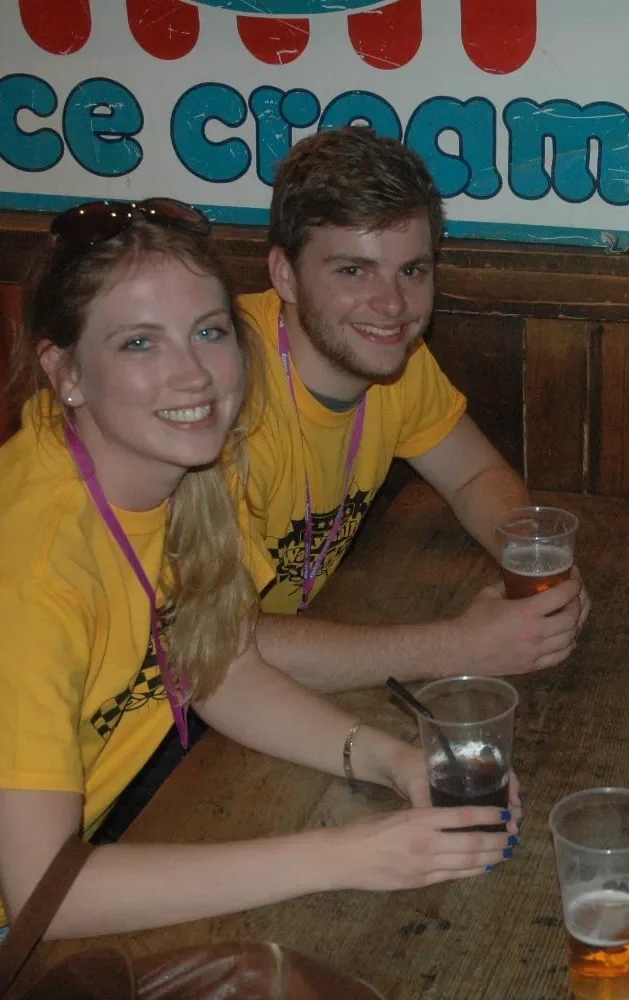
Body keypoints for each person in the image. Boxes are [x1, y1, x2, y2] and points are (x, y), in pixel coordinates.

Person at [0, 200, 518, 999]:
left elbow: (217, 666)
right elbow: (48, 893)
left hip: (49, 885)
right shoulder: (26, 574)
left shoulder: (181, 474)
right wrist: (350, 855)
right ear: (65, 372)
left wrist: (396, 761)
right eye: (139, 342)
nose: (193, 374)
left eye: (210, 331)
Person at [245, 126, 589, 693]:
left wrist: (537, 565)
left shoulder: (393, 355)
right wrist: (462, 646)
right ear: (285, 275)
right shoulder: (214, 394)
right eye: (353, 270)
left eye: (413, 270)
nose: (392, 305)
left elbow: (474, 475)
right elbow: (219, 647)